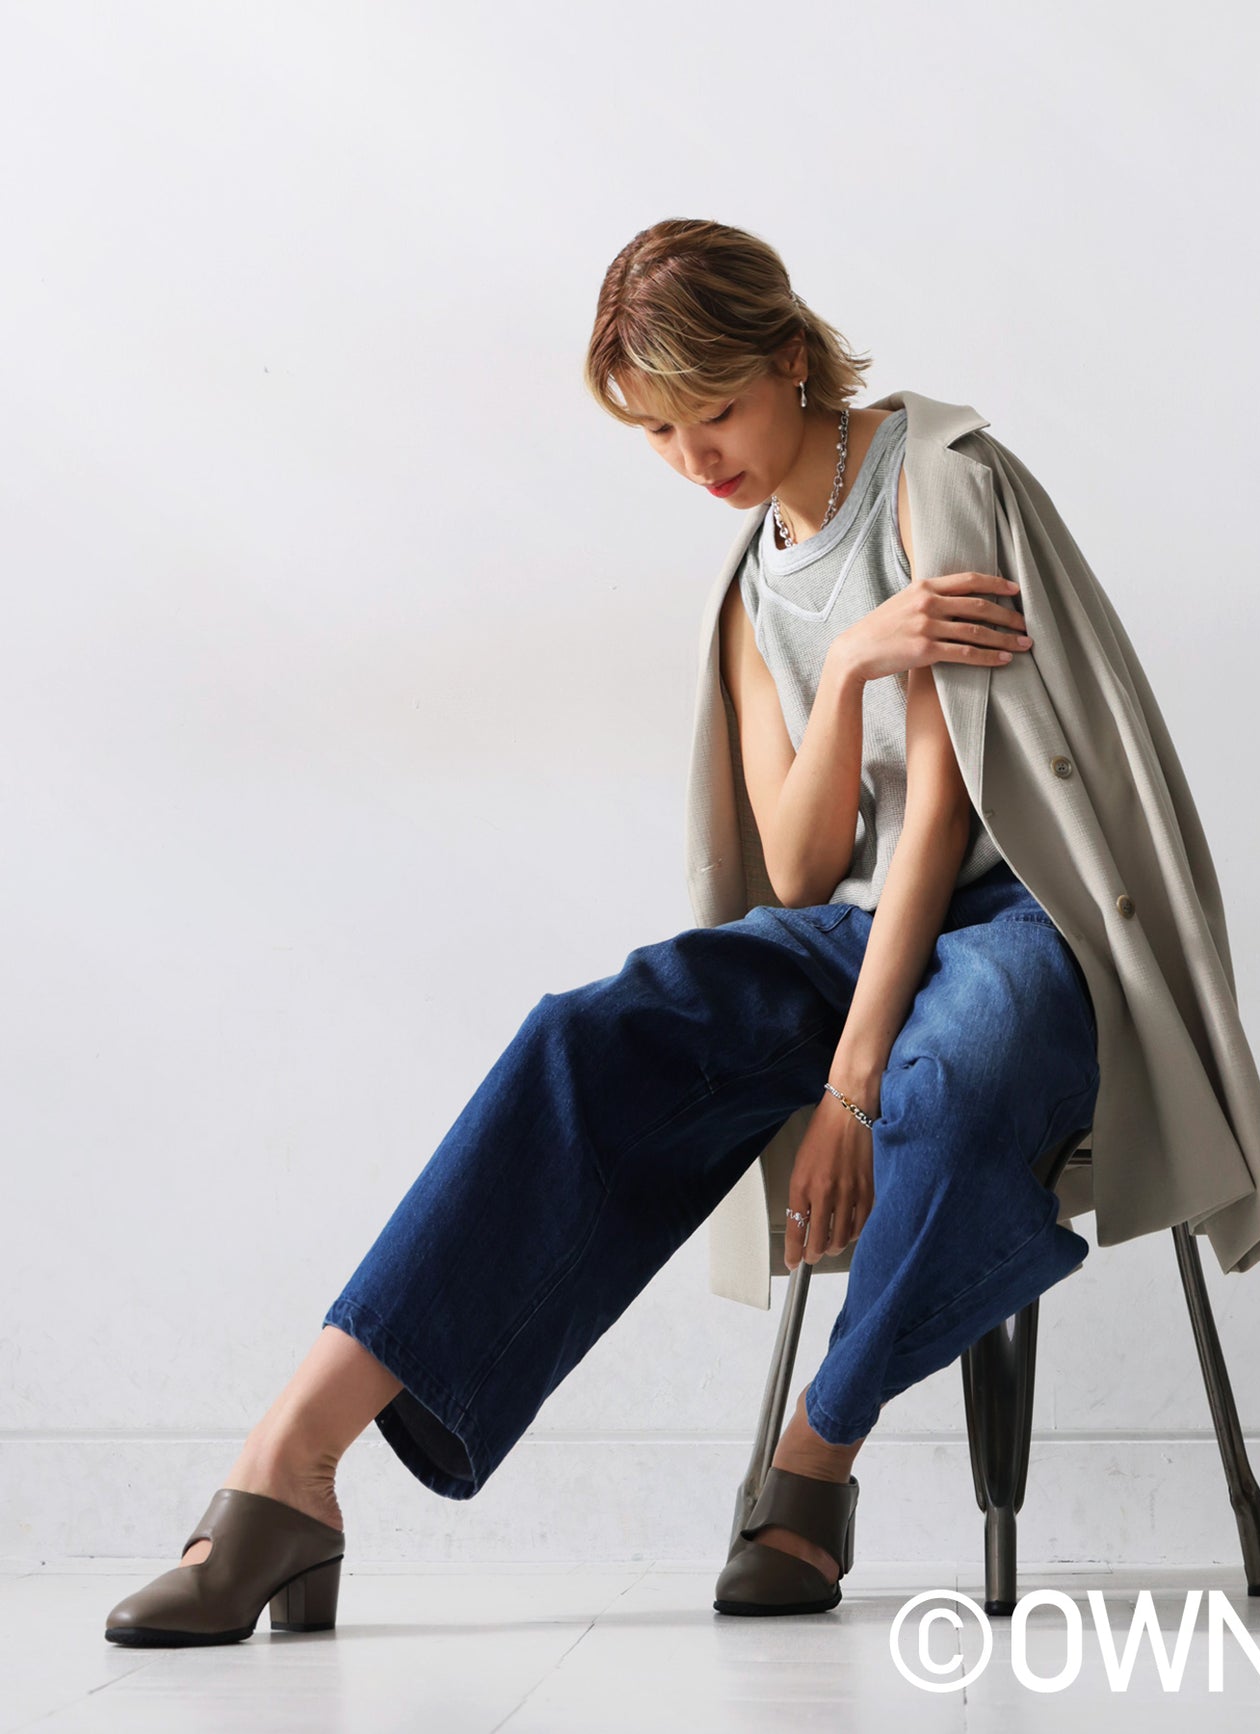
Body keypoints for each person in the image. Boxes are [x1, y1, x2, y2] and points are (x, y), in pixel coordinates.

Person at [104, 218, 1099, 1645]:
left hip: (1014, 912)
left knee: (946, 1086)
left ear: (792, 358)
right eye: (658, 430)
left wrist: (847, 1084)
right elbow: (802, 861)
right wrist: (845, 671)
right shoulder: (756, 575)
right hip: (862, 926)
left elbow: (941, 819)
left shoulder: (928, 485)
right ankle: (290, 1468)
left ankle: (814, 1456)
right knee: (585, 1038)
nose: (696, 457)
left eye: (716, 411)